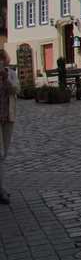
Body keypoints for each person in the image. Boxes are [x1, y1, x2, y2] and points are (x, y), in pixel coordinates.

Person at [0, 50, 18, 205]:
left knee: (3, 154)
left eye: (3, 59)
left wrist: (6, 80)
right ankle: (1, 190)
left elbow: (16, 90)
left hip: (8, 118)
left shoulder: (11, 73)